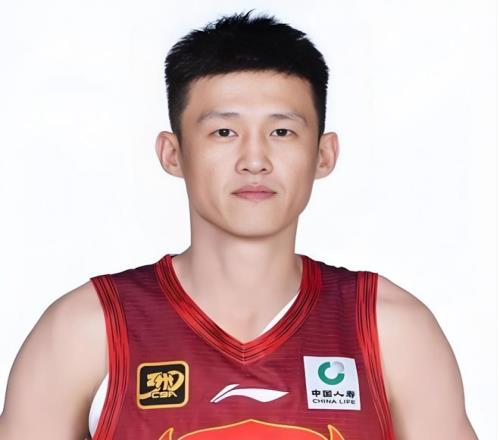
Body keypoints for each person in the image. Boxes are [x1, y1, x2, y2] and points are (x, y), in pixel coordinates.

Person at [0, 10, 478, 440]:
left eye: (282, 131)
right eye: (224, 132)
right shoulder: (86, 331)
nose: (254, 159)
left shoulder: (390, 330)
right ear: (173, 153)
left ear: (324, 154)